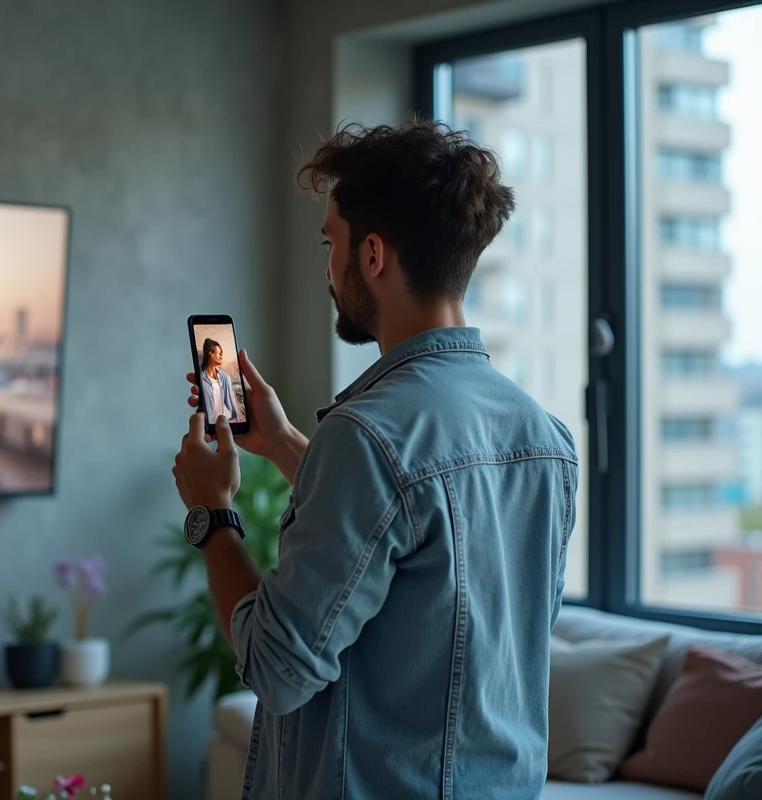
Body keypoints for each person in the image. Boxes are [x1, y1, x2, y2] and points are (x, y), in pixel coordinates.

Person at [172, 118, 577, 799]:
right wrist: (283, 442)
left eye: (330, 242)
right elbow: (423, 543)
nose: (327, 269)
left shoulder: (366, 435)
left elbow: (276, 666)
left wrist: (212, 516)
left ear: (373, 255)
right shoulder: (546, 439)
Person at [199, 338, 241, 423]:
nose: (221, 356)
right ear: (210, 353)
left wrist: (235, 420)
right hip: (211, 424)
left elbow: (231, 403)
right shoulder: (201, 378)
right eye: (219, 354)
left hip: (227, 421)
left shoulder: (225, 377)